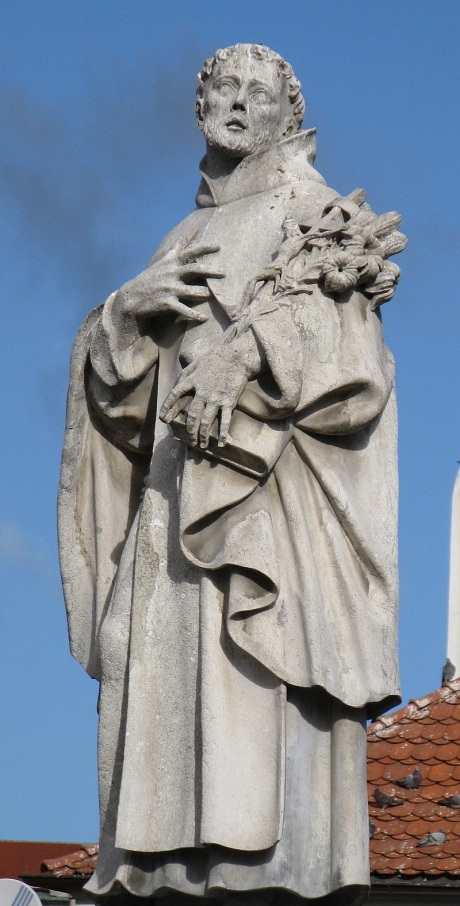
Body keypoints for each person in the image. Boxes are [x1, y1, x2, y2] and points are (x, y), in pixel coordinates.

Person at [58, 43, 403, 906]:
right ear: (200, 106)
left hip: (262, 529)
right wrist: (119, 322)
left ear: (291, 118)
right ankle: (169, 867)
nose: (239, 104)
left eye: (260, 93)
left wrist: (249, 350)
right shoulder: (180, 237)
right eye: (224, 89)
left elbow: (353, 369)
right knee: (163, 759)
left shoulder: (316, 217)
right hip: (170, 520)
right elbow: (127, 421)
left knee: (253, 732)